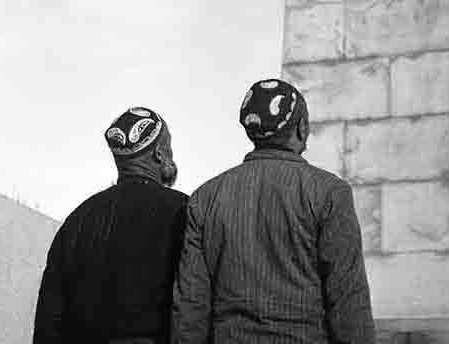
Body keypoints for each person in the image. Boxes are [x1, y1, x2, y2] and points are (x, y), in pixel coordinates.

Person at [171, 79, 375, 344]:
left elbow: (190, 304)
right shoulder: (329, 193)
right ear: (301, 128)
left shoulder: (206, 197)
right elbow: (348, 299)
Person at [33, 107, 188, 344]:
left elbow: (50, 316)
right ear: (159, 153)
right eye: (169, 145)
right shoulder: (185, 211)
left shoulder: (79, 219)